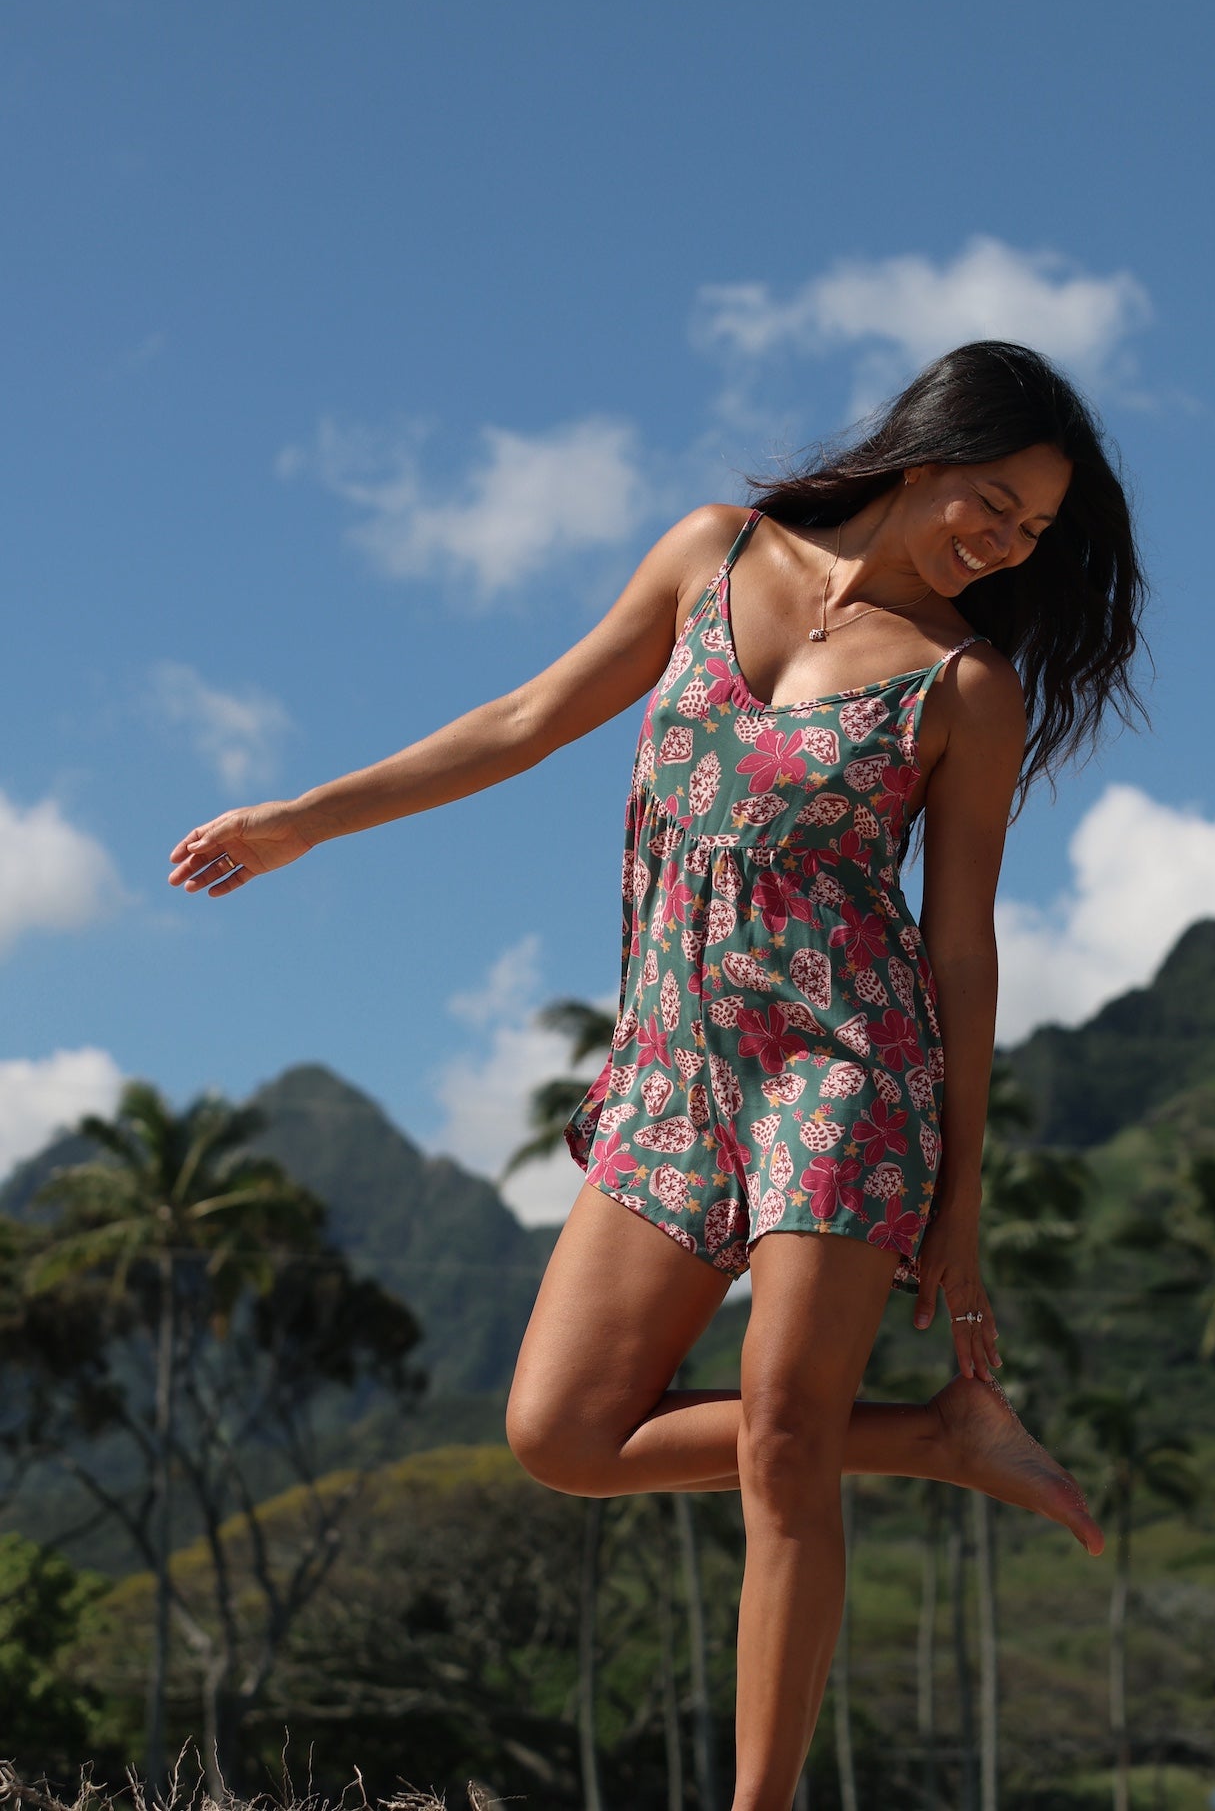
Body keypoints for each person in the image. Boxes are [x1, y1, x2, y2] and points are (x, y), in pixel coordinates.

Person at [171, 339, 1147, 1811]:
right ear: (930, 449)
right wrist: (308, 819)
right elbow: (523, 719)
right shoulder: (712, 554)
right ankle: (943, 1437)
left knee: (784, 1448)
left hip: (846, 1074)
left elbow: (959, 953)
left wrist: (960, 1203)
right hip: (676, 1073)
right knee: (561, 1432)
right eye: (994, 501)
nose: (1003, 542)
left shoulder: (968, 688)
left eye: (1032, 532)